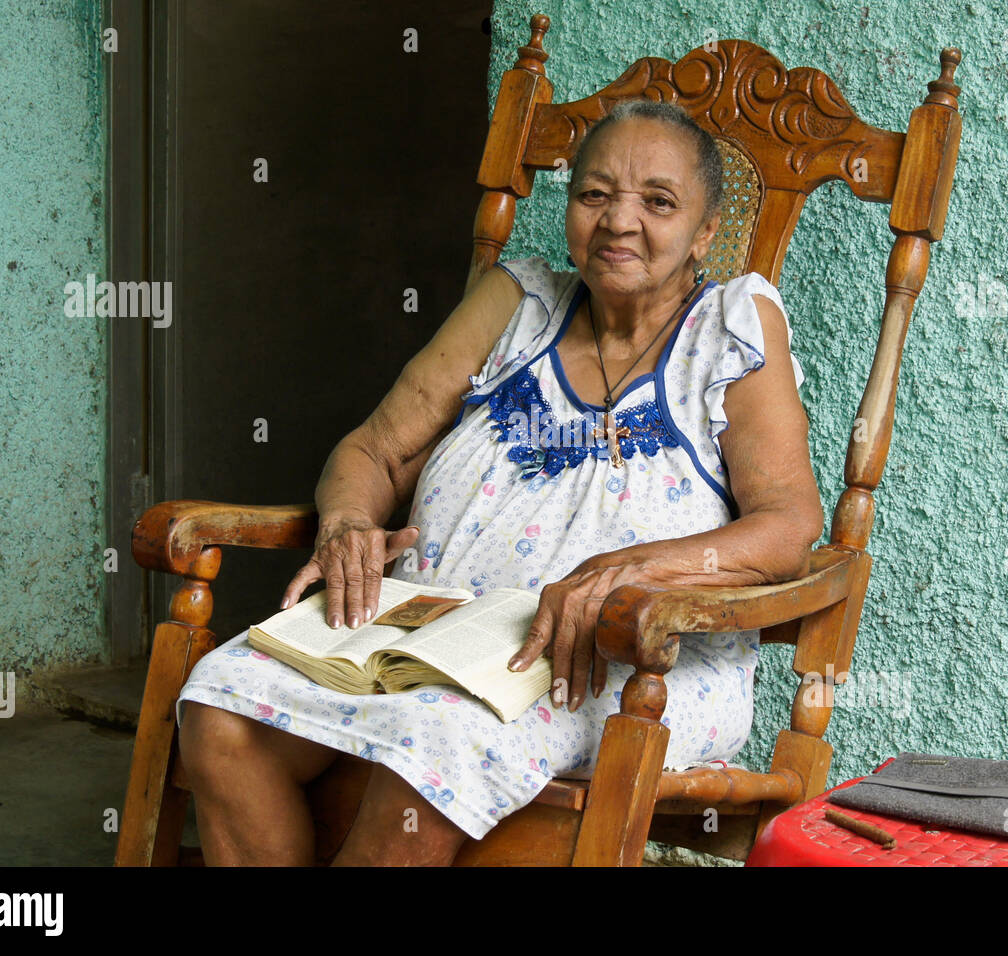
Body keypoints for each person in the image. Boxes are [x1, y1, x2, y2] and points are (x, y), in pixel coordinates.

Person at [175, 99, 824, 866]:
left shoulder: (729, 327)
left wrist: (624, 572)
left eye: (657, 201)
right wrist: (347, 524)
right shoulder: (516, 301)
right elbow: (375, 451)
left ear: (705, 232)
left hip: (621, 660)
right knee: (219, 705)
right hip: (429, 633)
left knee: (436, 741)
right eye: (594, 195)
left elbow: (789, 525)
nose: (619, 221)